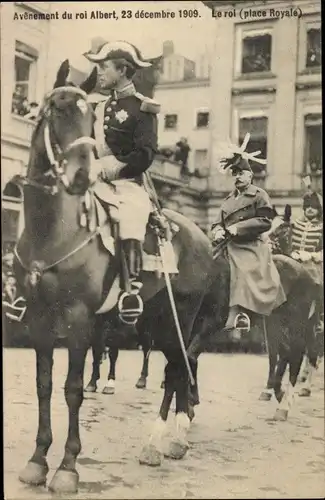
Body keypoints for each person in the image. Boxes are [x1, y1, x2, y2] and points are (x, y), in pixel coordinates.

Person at [83, 40, 160, 298]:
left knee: (131, 215)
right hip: (96, 179)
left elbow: (145, 154)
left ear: (123, 70)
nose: (100, 74)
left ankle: (131, 288)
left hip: (127, 182)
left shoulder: (143, 108)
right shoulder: (99, 106)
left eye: (104, 67)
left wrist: (113, 168)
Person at [211, 134, 286, 338]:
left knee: (242, 269)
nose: (237, 177)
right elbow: (217, 221)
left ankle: (241, 314)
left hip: (251, 244)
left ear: (250, 175)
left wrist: (238, 228)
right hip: (227, 244)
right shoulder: (227, 200)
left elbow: (265, 221)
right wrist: (217, 230)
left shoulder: (259, 195)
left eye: (241, 173)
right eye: (234, 173)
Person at [290, 189, 323, 327]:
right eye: (307, 206)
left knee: (318, 284)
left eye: (313, 207)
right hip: (294, 263)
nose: (309, 209)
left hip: (315, 265)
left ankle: (320, 317)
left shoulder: (321, 227)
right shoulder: (295, 224)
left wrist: (311, 255)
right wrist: (292, 253)